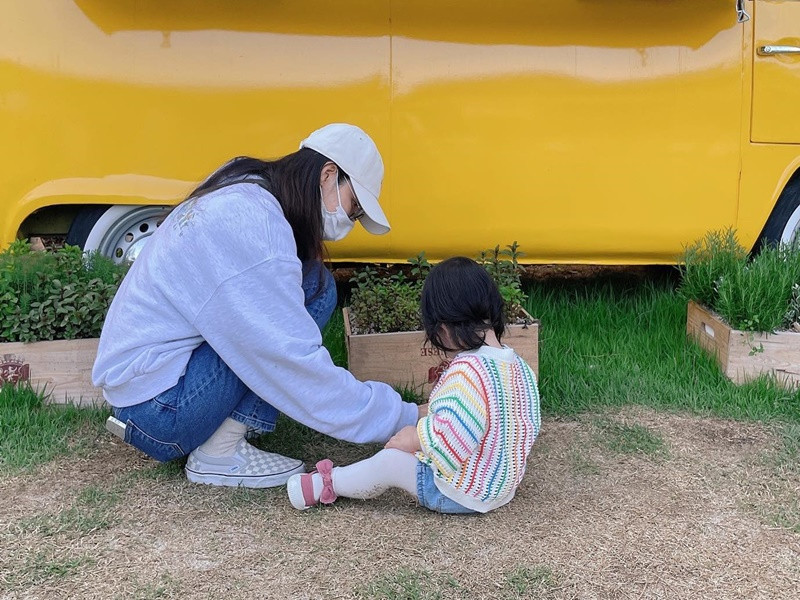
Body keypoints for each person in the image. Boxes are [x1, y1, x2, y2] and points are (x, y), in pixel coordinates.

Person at [92, 123, 424, 488]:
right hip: (159, 412)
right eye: (355, 207)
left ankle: (221, 433)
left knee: (314, 285)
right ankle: (219, 455)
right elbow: (291, 363)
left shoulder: (248, 187)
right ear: (329, 175)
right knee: (296, 316)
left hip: (146, 392)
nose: (352, 222)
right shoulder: (253, 225)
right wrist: (403, 418)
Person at [286, 257, 541, 514]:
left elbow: (456, 434)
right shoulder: (518, 366)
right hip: (499, 488)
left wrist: (415, 438)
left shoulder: (468, 370)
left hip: (460, 493)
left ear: (442, 326)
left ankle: (326, 484)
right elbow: (522, 425)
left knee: (389, 462)